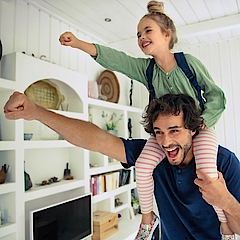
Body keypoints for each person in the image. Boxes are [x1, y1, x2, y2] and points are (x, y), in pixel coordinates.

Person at [59, 1, 227, 239]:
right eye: (138, 34)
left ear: (167, 35)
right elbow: (117, 60)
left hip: (199, 130)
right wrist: (78, 43)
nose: (141, 37)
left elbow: (216, 96)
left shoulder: (188, 63)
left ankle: (225, 225)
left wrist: (202, 123)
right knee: (144, 166)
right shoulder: (145, 70)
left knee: (208, 172)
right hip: (164, 134)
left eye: (148, 31)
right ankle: (148, 219)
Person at [4, 92, 240, 240]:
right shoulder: (154, 156)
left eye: (174, 131)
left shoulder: (224, 163)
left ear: (193, 129)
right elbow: (95, 139)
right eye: (159, 132)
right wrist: (36, 112)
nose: (166, 142)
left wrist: (225, 200)